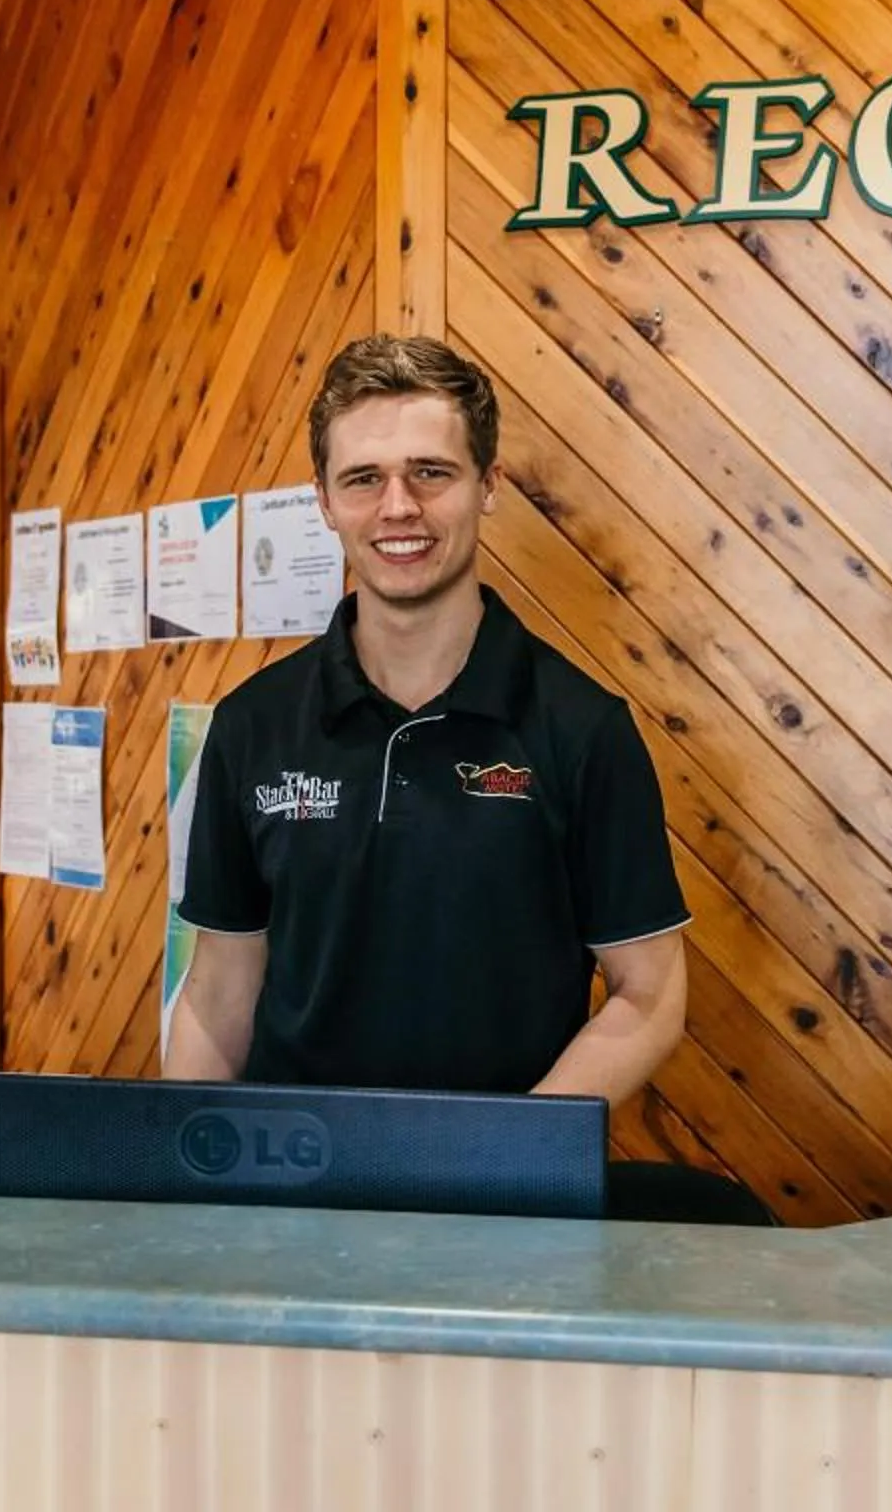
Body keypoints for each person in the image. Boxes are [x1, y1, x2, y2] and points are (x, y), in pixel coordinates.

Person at [166, 334, 693, 1114]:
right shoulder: (251, 727)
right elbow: (219, 989)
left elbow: (650, 994)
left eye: (431, 472)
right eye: (363, 479)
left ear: (488, 484)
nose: (398, 507)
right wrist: (185, 1172)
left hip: (504, 1209)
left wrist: (514, 1157)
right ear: (324, 501)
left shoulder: (583, 730)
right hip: (291, 1196)